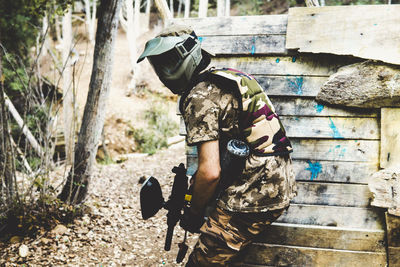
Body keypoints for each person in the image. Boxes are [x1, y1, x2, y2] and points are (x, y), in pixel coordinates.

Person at [137, 24, 297, 267]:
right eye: (159, 64)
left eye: (168, 62)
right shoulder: (230, 77)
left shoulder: (200, 97)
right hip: (276, 183)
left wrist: (193, 214)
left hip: (254, 193)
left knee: (203, 261)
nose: (164, 72)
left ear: (188, 55)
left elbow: (210, 173)